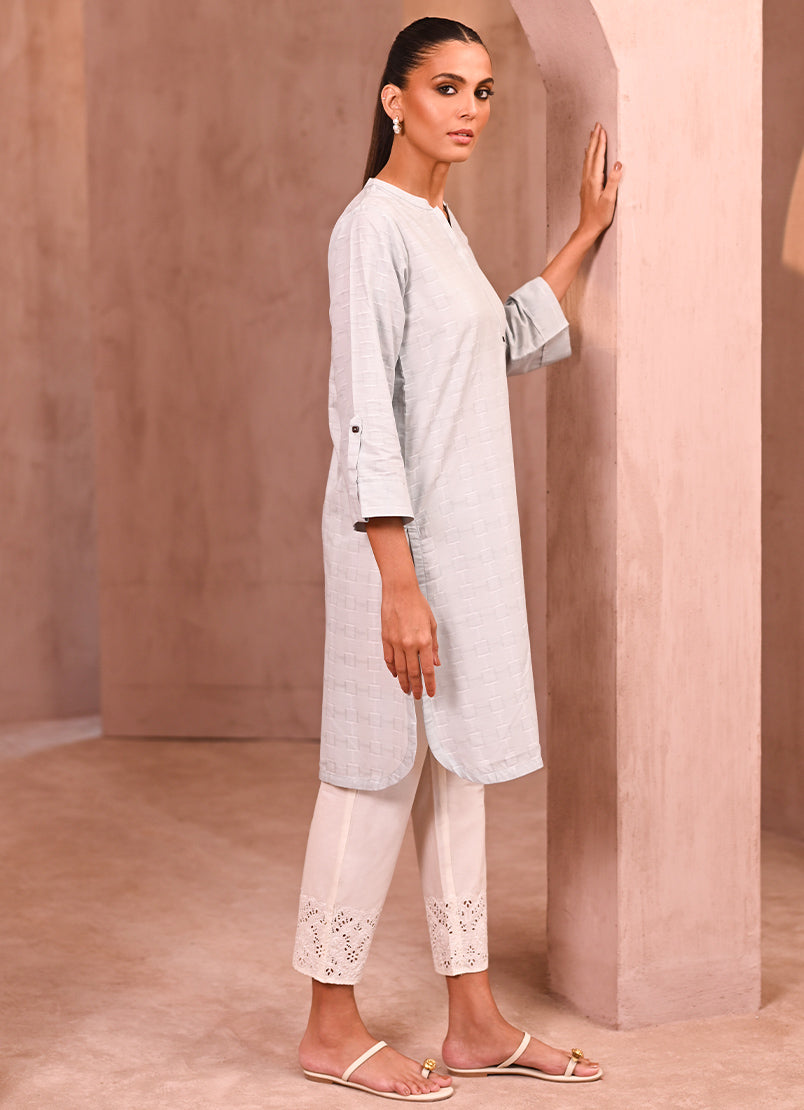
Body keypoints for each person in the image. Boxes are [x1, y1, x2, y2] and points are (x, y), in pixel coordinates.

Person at [293, 16, 622, 1103]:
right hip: (397, 551)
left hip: (463, 549)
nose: (470, 108)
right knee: (374, 771)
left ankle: (474, 1021)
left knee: (456, 772)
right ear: (395, 101)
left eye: (483, 90)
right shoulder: (371, 228)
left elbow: (497, 346)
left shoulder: (440, 226)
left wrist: (584, 235)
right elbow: (363, 414)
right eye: (446, 87)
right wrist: (397, 580)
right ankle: (329, 1025)